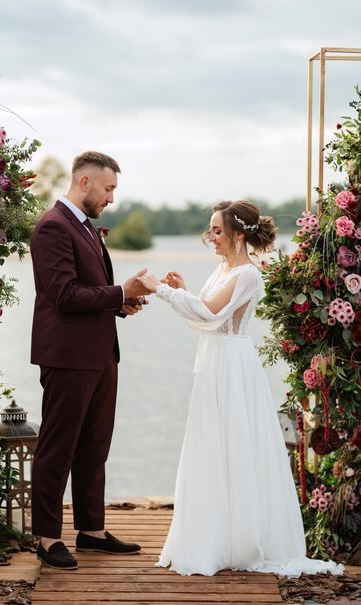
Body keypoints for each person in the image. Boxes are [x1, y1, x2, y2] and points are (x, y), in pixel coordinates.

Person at [138, 200, 344, 577]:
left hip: (232, 364)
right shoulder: (222, 269)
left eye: (216, 231)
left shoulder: (248, 274)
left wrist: (162, 291)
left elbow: (210, 314)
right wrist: (183, 291)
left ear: (237, 234)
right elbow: (205, 317)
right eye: (210, 230)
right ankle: (214, 536)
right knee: (210, 443)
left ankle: (239, 539)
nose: (211, 237)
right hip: (213, 360)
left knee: (234, 442)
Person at [30, 151, 150, 570]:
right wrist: (119, 291)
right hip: (67, 357)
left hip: (100, 354)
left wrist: (121, 304)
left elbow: (87, 290)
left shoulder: (83, 227)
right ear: (84, 183)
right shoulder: (52, 227)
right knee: (57, 448)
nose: (111, 199)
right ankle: (47, 538)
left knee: (94, 446)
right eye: (108, 188)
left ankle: (91, 531)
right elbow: (63, 295)